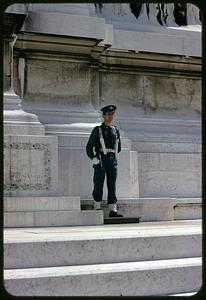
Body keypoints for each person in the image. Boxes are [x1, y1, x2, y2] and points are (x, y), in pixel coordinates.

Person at [86, 104, 123, 217]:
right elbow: (89, 147)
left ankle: (113, 209)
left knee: (112, 184)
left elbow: (119, 147)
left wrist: (113, 156)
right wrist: (93, 158)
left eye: (112, 114)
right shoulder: (98, 130)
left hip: (112, 159)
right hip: (101, 158)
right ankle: (97, 206)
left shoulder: (115, 130)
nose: (110, 116)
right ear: (103, 115)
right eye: (108, 114)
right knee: (98, 182)